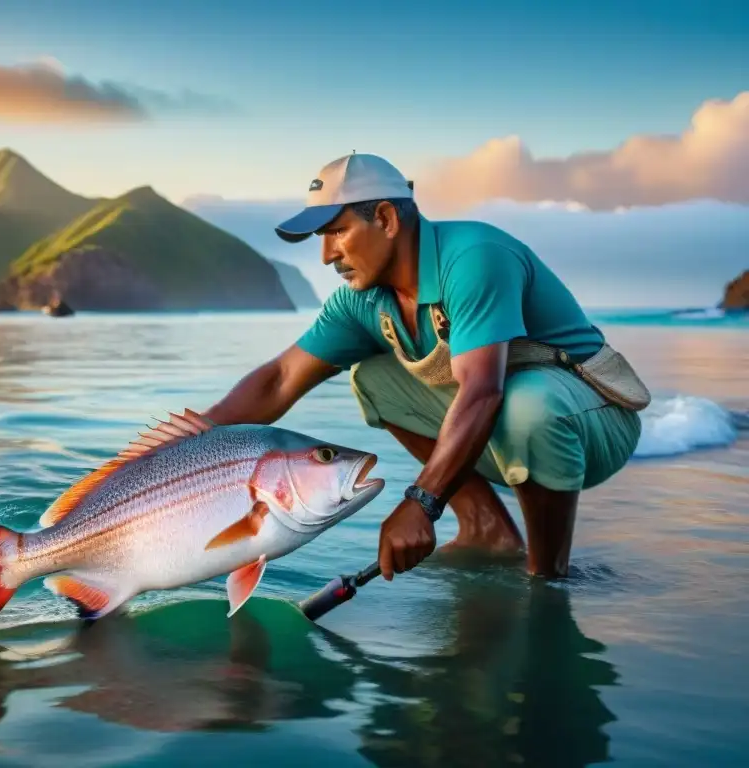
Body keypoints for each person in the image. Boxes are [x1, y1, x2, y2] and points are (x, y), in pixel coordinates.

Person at [203, 152, 647, 581]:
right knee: (373, 379)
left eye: (336, 232)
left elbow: (481, 392)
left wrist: (421, 502)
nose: (326, 256)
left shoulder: (474, 258)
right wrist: (193, 433)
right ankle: (485, 529)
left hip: (593, 420)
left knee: (525, 408)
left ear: (386, 219)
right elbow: (281, 379)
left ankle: (548, 575)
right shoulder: (361, 301)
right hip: (504, 425)